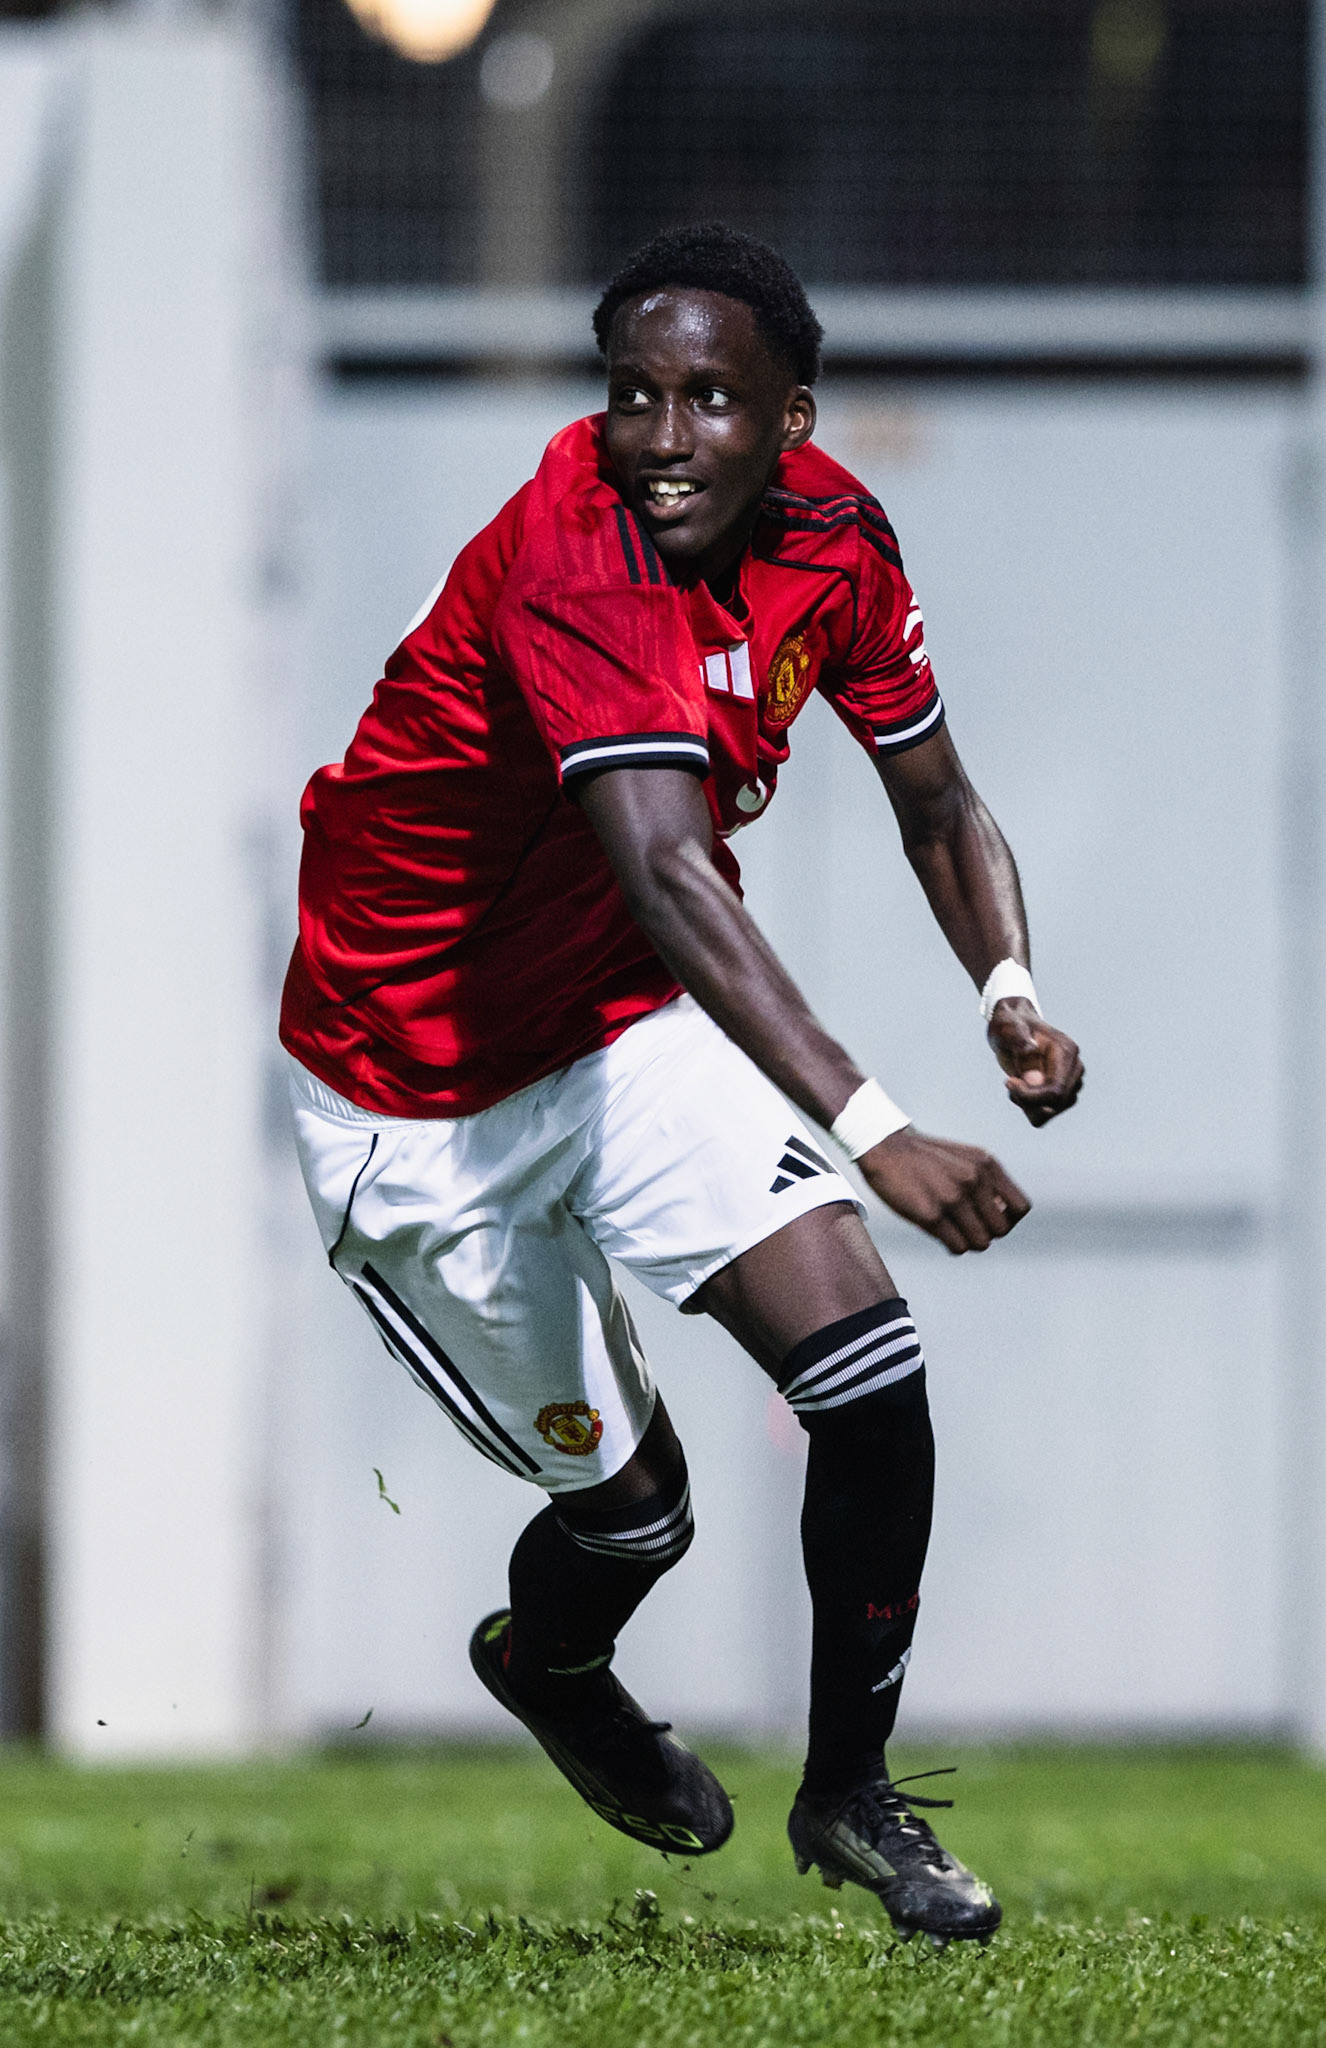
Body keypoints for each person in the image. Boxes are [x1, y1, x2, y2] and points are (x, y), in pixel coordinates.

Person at [281, 224, 1083, 1949]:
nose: (659, 435)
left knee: (866, 1371)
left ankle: (852, 1794)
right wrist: (876, 1132)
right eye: (631, 395)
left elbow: (936, 799)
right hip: (414, 1102)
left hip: (616, 1035)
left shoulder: (839, 540)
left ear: (790, 419)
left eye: (709, 399)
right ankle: (548, 1662)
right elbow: (667, 870)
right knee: (634, 1516)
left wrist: (1007, 992)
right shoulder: (576, 555)